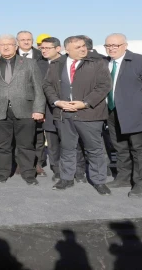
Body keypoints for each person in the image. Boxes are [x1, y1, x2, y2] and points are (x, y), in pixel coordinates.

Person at [43, 36, 112, 195]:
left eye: (83, 46)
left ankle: (99, 181)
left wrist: (85, 103)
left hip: (90, 114)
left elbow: (104, 86)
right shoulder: (56, 64)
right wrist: (57, 102)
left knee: (94, 149)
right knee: (67, 148)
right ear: (67, 50)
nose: (83, 49)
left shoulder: (97, 63)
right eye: (78, 47)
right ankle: (66, 178)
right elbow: (47, 85)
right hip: (64, 114)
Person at [0, 34, 45, 185]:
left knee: (26, 145)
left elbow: (38, 88)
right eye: (2, 45)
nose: (5, 47)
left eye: (9, 44)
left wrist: (39, 109)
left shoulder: (30, 63)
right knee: (2, 145)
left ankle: (28, 173)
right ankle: (2, 173)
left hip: (25, 110)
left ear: (16, 46)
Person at [103, 33, 142, 198]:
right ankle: (124, 178)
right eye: (108, 45)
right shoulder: (105, 62)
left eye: (115, 45)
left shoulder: (139, 61)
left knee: (140, 150)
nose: (111, 48)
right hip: (112, 112)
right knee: (120, 147)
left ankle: (141, 183)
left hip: (136, 113)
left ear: (125, 46)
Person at [38, 37, 85, 183]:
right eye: (42, 48)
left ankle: (78, 171)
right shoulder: (37, 64)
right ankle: (57, 170)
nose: (44, 51)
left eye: (47, 48)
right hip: (48, 109)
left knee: (74, 143)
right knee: (53, 143)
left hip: (71, 108)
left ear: (58, 48)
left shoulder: (69, 61)